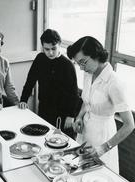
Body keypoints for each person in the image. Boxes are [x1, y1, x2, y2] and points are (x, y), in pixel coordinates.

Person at [67, 36, 134, 172]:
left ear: (96, 55)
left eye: (83, 62)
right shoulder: (88, 74)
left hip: (103, 137)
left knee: (98, 179)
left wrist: (104, 147)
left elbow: (129, 125)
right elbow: (87, 103)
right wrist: (79, 117)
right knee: (79, 172)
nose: (81, 68)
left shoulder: (114, 82)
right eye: (78, 63)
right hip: (85, 132)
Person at [19, 29, 81, 139]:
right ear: (42, 47)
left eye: (54, 48)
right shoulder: (40, 59)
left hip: (63, 114)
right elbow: (30, 81)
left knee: (61, 143)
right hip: (44, 109)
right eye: (46, 49)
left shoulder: (67, 65)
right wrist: (23, 99)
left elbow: (74, 93)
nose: (50, 53)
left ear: (59, 45)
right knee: (43, 139)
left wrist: (71, 115)